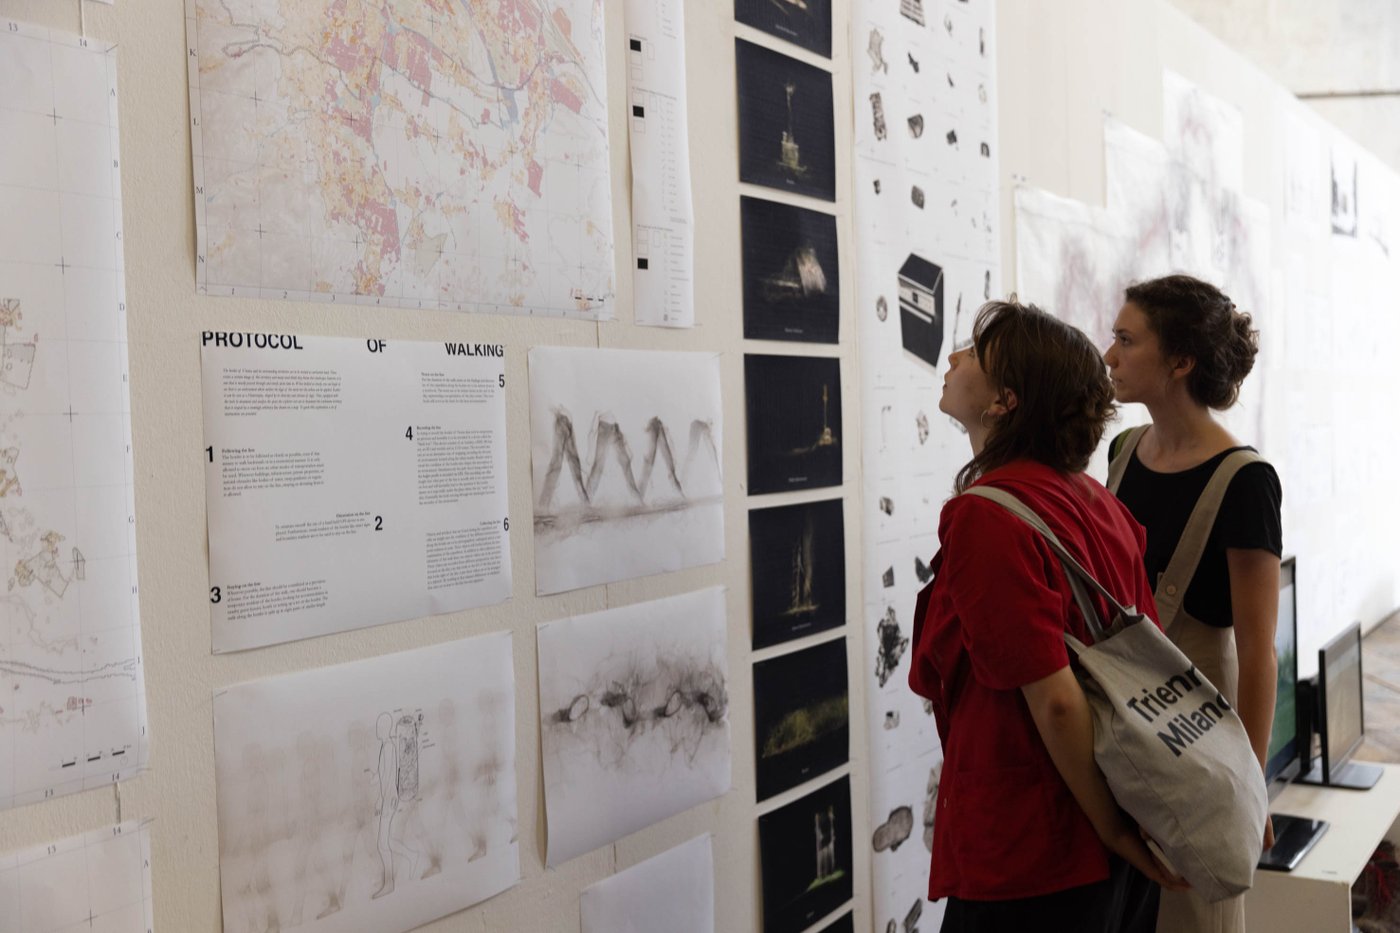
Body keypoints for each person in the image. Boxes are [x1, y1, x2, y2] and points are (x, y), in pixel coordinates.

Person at [909, 300, 1183, 933]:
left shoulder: (986, 516)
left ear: (1005, 400)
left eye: (972, 353)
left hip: (1037, 851)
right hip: (1109, 827)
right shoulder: (1092, 498)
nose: (952, 359)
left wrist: (1112, 833)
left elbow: (1056, 701)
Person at [1104, 274, 1281, 933]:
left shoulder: (1246, 480)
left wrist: (1249, 787)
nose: (1109, 354)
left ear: (1180, 361)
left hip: (1204, 754)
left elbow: (1260, 654)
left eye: (1126, 339)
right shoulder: (1122, 453)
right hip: (1121, 739)